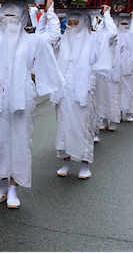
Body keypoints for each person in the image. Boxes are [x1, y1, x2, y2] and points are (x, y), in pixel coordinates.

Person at [0, 0, 62, 209]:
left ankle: (14, 186)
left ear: (22, 19)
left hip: (22, 98)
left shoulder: (32, 41)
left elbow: (53, 36)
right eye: (5, 17)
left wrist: (49, 12)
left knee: (20, 141)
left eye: (14, 17)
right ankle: (1, 183)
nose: (9, 21)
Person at [53, 9, 112, 180]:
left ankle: (85, 163)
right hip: (64, 91)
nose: (72, 27)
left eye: (75, 23)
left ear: (84, 22)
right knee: (64, 127)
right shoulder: (64, 40)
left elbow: (110, 36)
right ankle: (66, 161)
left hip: (83, 90)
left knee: (82, 127)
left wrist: (106, 15)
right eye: (69, 23)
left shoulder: (93, 40)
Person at [115, 13, 133, 123]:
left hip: (129, 63)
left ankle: (129, 111)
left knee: (129, 88)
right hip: (117, 63)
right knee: (118, 89)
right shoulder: (116, 32)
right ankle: (118, 111)